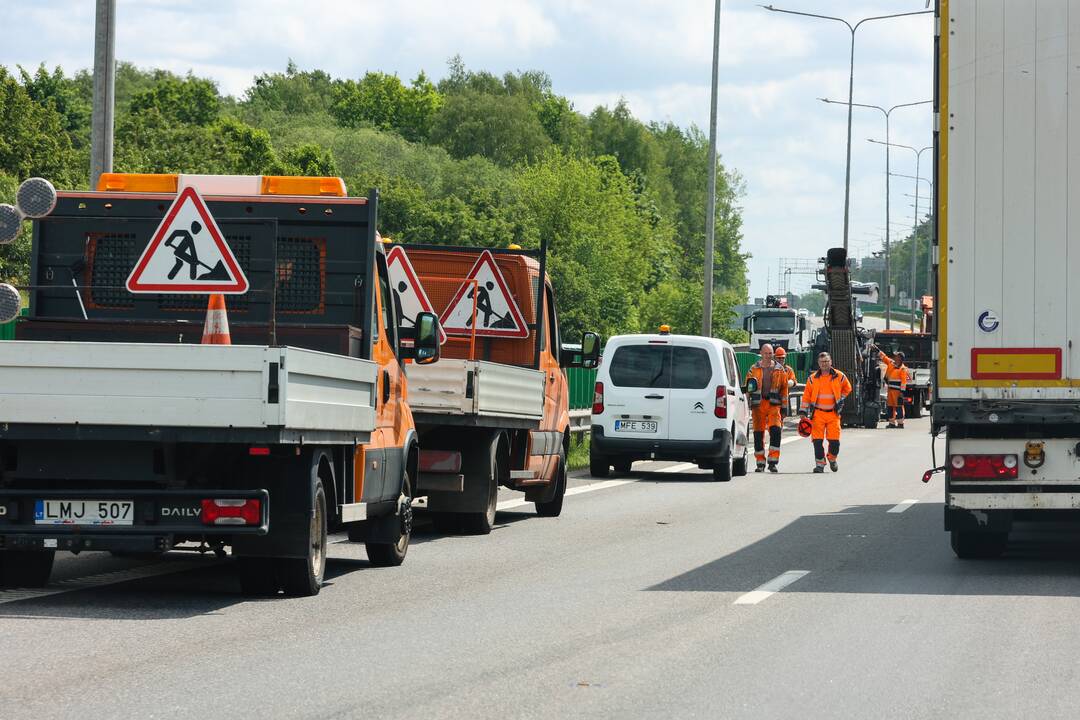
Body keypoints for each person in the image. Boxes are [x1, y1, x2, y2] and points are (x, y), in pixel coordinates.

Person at [801, 352, 853, 473]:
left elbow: (848, 388)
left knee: (834, 442)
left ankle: (832, 458)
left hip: (833, 414)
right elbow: (806, 396)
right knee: (817, 441)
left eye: (826, 361)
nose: (824, 364)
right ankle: (820, 465)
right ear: (818, 363)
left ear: (831, 362)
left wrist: (841, 399)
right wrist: (803, 411)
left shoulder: (839, 376)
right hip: (818, 414)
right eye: (822, 362)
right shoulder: (812, 379)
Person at [745, 343, 789, 473]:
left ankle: (773, 462)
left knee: (775, 432)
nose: (768, 356)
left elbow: (784, 389)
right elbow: (748, 387)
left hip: (774, 405)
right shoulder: (753, 369)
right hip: (758, 405)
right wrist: (746, 404)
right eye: (766, 353)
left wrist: (784, 407)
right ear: (761, 353)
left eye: (770, 353)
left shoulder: (779, 369)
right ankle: (760, 462)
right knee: (758, 434)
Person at [873, 344, 908, 429]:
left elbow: (903, 382)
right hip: (890, 390)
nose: (895, 357)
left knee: (899, 407)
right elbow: (884, 357)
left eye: (897, 356)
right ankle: (891, 423)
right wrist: (877, 350)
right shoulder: (891, 363)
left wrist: (901, 393)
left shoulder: (903, 369)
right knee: (890, 407)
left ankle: (900, 423)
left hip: (897, 392)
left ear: (900, 359)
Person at [774, 347, 797, 416]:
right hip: (772, 401)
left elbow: (794, 381)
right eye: (779, 358)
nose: (781, 359)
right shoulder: (771, 368)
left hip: (783, 402)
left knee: (780, 420)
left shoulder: (789, 370)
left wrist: (788, 383)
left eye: (782, 358)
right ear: (775, 358)